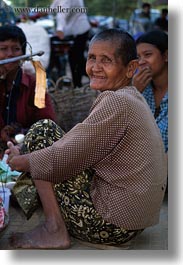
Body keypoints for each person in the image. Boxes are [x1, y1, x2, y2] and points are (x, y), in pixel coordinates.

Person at [6, 29, 167, 249]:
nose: (95, 67)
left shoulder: (116, 101)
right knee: (47, 144)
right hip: (130, 222)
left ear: (130, 68)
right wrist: (26, 155)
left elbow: (66, 155)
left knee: (42, 132)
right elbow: (78, 139)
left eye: (106, 60)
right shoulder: (131, 96)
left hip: (110, 225)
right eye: (92, 58)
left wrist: (20, 161)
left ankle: (54, 229)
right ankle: (25, 199)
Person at [0, 25, 56, 159]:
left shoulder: (36, 85)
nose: (10, 54)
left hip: (25, 150)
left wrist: (23, 136)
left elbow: (47, 123)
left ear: (23, 54)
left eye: (16, 49)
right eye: (3, 49)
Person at [132, 30, 168, 153]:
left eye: (147, 55)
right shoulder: (141, 89)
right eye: (138, 57)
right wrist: (133, 93)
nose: (141, 62)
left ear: (166, 56)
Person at [50, 0, 91, 87]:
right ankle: (79, 83)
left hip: (78, 30)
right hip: (79, 29)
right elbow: (54, 7)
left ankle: (81, 82)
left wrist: (60, 29)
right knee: (76, 58)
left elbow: (62, 13)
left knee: (75, 58)